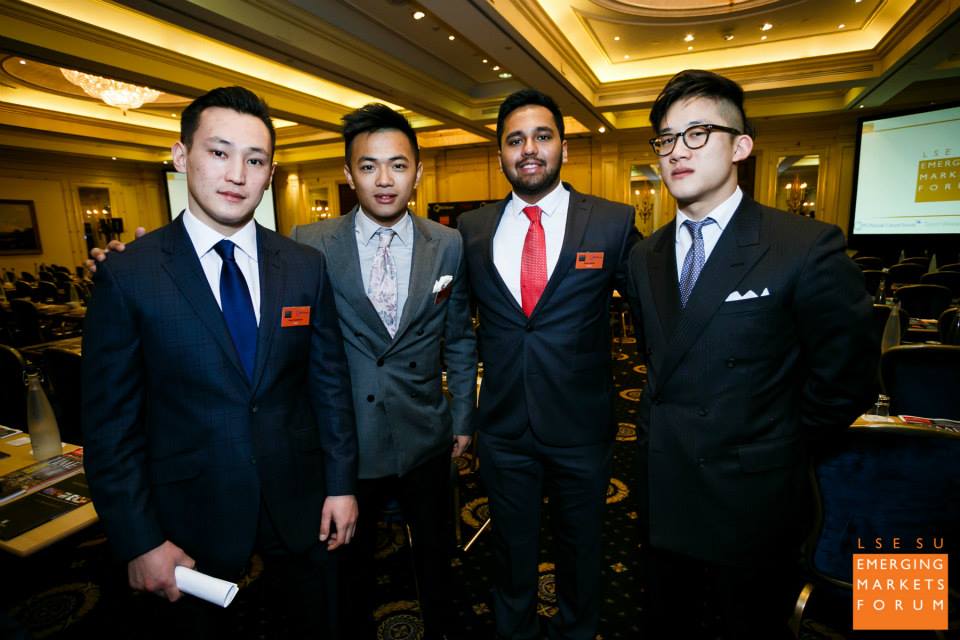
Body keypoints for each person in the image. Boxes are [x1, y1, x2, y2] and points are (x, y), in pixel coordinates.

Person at [81, 86, 358, 638]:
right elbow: (110, 428)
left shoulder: (304, 266)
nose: (237, 174)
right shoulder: (130, 274)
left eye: (255, 160)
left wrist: (341, 485)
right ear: (182, 156)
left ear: (270, 173)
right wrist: (140, 539)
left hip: (299, 503)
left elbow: (329, 386)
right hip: (190, 515)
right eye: (218, 152)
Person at [626, 69, 877, 639]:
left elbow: (848, 378)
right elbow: (661, 355)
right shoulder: (645, 257)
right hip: (665, 486)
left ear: (741, 146)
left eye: (697, 134)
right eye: (665, 139)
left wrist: (774, 439)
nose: (676, 151)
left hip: (753, 495)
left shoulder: (803, 245)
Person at [457, 89, 640, 640]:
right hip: (504, 427)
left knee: (581, 552)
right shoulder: (471, 229)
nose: (529, 149)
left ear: (564, 146)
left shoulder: (611, 222)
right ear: (500, 154)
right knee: (510, 553)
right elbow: (456, 327)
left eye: (542, 136)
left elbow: (654, 314)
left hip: (582, 426)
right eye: (515, 140)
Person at [289, 103, 477, 640]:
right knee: (349, 568)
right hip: (349, 438)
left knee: (437, 558)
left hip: (426, 433)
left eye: (398, 165)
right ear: (349, 174)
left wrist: (463, 417)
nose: (385, 179)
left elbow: (459, 337)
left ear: (418, 171)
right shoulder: (309, 242)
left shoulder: (448, 244)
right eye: (368, 166)